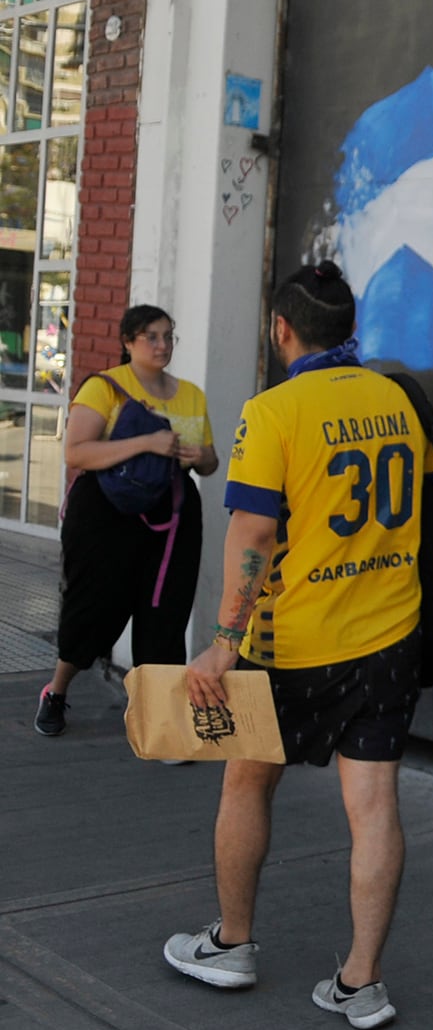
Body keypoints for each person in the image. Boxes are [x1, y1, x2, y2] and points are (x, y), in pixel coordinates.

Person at [162, 262, 433, 1030]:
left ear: (281, 329)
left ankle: (232, 944)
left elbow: (254, 533)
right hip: (390, 635)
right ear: (348, 328)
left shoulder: (273, 411)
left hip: (289, 642)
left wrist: (223, 643)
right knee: (374, 806)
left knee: (246, 784)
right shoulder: (397, 398)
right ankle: (362, 982)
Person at [36, 306, 219, 737]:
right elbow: (76, 452)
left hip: (171, 518)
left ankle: (161, 722)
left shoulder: (191, 395)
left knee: (165, 614)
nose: (162, 345)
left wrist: (201, 456)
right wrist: (148, 442)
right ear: (127, 342)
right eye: (151, 336)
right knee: (93, 609)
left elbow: (210, 462)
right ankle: (57, 691)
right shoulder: (105, 388)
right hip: (106, 514)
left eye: (168, 336)